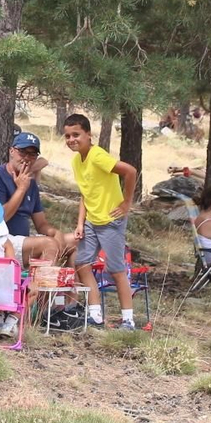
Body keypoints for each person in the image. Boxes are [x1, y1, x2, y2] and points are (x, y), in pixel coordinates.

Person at [63, 114, 140, 328]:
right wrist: (80, 223)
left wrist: (126, 203)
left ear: (89, 135)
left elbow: (130, 171)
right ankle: (95, 314)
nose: (71, 139)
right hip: (91, 221)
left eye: (76, 134)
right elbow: (85, 194)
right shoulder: (77, 161)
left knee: (116, 269)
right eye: (67, 136)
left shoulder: (97, 156)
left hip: (110, 221)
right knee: (82, 263)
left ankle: (128, 321)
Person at [0, 132, 79, 266]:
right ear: (11, 151)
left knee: (76, 241)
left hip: (22, 243)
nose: (26, 158)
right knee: (48, 244)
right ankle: (41, 285)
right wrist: (21, 189)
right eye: (22, 152)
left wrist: (55, 232)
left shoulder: (31, 183)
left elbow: (41, 224)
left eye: (32, 154)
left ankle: (72, 284)